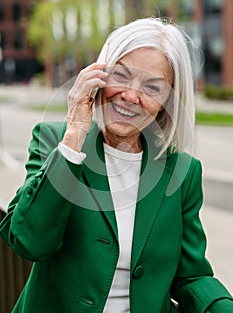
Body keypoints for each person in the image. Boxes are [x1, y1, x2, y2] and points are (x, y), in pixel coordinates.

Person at [0, 17, 233, 313]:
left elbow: (191, 276)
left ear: (168, 101)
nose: (131, 96)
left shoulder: (182, 172)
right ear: (99, 74)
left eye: (152, 87)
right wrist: (74, 136)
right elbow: (28, 242)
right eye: (121, 76)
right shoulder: (54, 140)